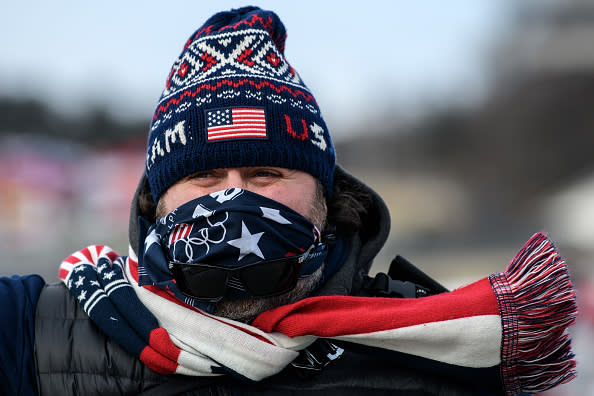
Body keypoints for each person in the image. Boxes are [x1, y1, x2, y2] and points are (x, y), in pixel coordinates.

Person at [0, 6, 577, 396]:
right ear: (156, 200)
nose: (232, 196)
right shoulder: (40, 328)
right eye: (203, 178)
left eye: (265, 172)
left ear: (326, 196)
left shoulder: (427, 343)